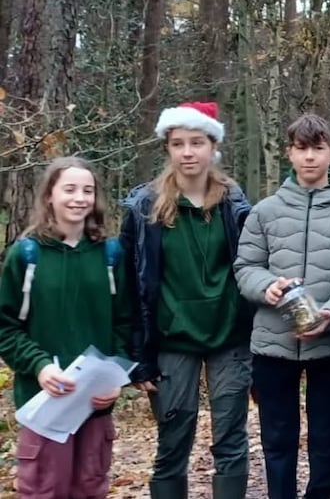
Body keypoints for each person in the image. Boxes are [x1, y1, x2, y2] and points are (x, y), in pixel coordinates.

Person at [121, 101, 254, 499]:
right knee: (172, 438)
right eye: (178, 144)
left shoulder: (235, 205)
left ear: (213, 146)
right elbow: (131, 283)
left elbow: (250, 267)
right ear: (168, 149)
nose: (188, 152)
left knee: (231, 436)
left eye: (197, 142)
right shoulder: (145, 207)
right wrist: (137, 355)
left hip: (229, 336)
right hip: (171, 338)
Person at [235, 114, 330, 499]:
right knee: (278, 437)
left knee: (327, 436)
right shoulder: (265, 211)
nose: (310, 157)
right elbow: (245, 267)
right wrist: (267, 286)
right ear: (289, 153)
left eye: (318, 149)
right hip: (273, 344)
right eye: (302, 148)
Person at [0, 157, 132, 499]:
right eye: (69, 189)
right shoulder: (27, 255)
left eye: (87, 190)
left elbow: (127, 323)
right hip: (44, 402)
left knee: (91, 488)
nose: (79, 198)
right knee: (44, 489)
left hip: (94, 405)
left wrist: (116, 376)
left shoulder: (111, 254)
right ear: (49, 196)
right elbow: (6, 326)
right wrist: (39, 366)